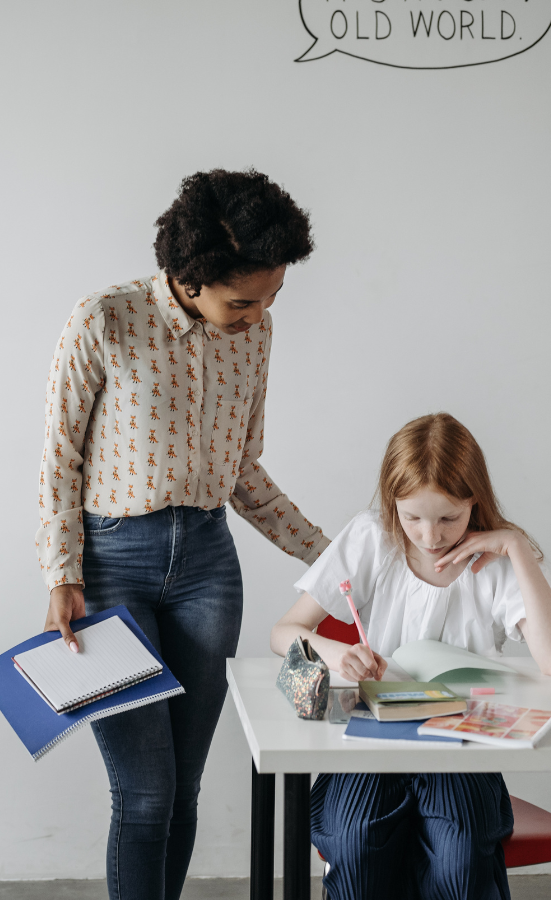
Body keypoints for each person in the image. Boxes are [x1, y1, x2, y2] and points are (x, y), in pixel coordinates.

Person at [37, 169, 330, 900]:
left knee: (185, 791)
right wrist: (61, 574)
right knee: (145, 796)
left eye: (271, 298)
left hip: (207, 565)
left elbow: (244, 471)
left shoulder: (254, 335)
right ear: (190, 277)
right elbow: (58, 457)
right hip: (113, 567)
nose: (259, 313)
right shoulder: (105, 318)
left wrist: (334, 557)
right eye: (244, 300)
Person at [271, 412, 551, 900]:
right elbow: (284, 632)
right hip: (372, 741)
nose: (431, 535)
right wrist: (333, 649)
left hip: (460, 748)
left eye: (449, 518)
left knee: (461, 850)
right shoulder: (373, 537)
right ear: (393, 504)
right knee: (355, 839)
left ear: (474, 502)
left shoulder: (496, 561)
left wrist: (516, 546)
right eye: (412, 517)